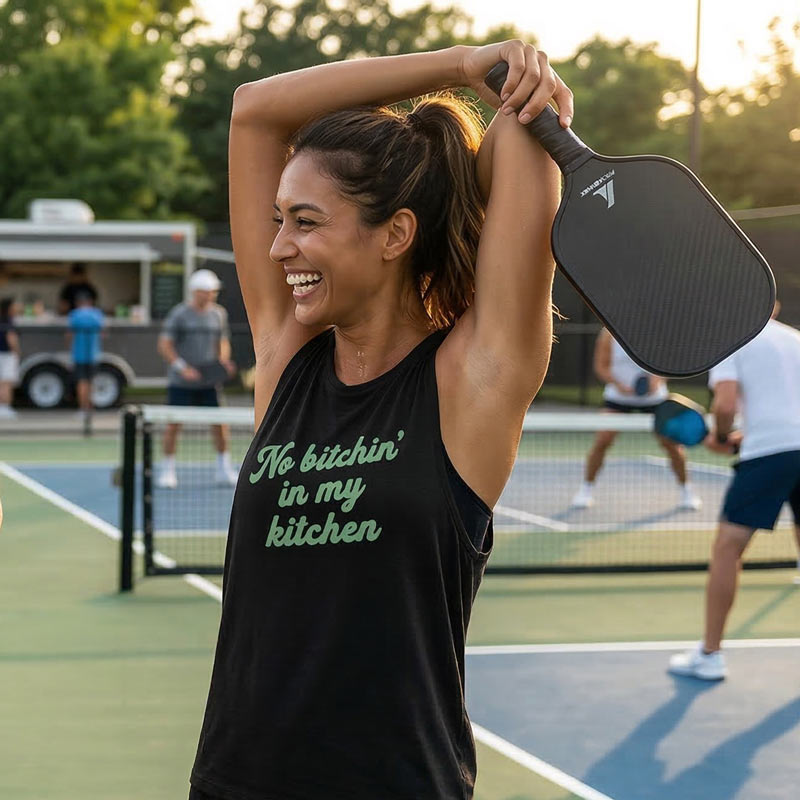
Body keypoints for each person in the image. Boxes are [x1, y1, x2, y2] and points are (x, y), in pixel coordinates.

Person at [187, 41, 573, 800]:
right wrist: (461, 63)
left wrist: (517, 89)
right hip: (235, 785)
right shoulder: (288, 359)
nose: (278, 247)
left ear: (395, 234)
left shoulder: (472, 381)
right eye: (279, 219)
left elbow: (522, 137)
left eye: (305, 221)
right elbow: (254, 111)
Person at [669, 303, 800, 680]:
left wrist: (722, 436)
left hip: (769, 454)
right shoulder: (795, 339)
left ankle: (710, 655)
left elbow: (725, 404)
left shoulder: (733, 342)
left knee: (728, 548)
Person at [570, 327, 702, 510]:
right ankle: (585, 490)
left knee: (671, 444)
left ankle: (687, 491)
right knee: (603, 440)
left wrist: (656, 380)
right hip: (618, 398)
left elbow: (668, 365)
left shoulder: (659, 332)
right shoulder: (608, 333)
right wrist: (619, 385)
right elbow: (601, 367)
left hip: (654, 399)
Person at [156, 269, 237, 489]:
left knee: (220, 424)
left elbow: (222, 342)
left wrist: (222, 363)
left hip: (209, 383)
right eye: (206, 291)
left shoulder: (219, 314)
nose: (210, 295)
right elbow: (165, 345)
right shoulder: (179, 314)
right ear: (195, 291)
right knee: (174, 425)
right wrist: (183, 368)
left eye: (213, 291)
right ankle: (168, 470)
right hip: (181, 382)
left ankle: (223, 469)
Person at [67, 292, 105, 435]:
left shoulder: (75, 315)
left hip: (79, 354)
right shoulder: (97, 314)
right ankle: (90, 408)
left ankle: (83, 408)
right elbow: (102, 332)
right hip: (93, 354)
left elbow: (70, 334)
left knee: (82, 382)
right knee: (91, 382)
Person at [0, 297, 21, 419]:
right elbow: (11, 338)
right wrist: (17, 352)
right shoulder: (9, 321)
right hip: (7, 355)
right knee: (7, 382)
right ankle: (5, 407)